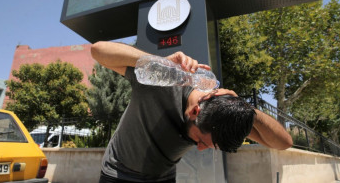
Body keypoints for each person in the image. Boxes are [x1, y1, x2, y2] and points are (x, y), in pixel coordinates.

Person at [91, 41, 293, 183]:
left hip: (163, 177)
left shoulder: (220, 116)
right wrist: (158, 62)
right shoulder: (161, 82)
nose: (200, 148)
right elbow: (98, 50)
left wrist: (247, 109)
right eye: (202, 142)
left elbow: (283, 143)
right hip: (118, 173)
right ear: (195, 111)